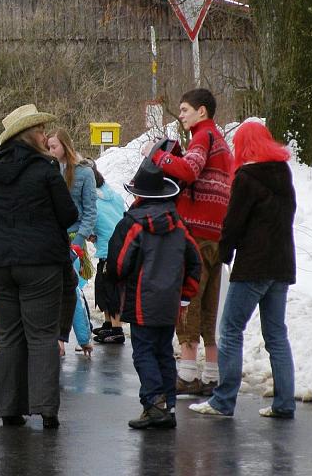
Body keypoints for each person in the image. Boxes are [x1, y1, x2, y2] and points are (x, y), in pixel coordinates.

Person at [0, 104, 78, 429]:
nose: (46, 135)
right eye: (42, 130)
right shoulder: (45, 169)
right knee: (42, 334)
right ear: (29, 134)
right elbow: (69, 214)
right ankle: (46, 409)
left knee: (9, 333)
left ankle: (9, 409)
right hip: (40, 261)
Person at [189, 122, 297, 419]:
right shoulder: (283, 173)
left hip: (253, 266)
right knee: (276, 334)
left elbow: (233, 223)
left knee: (230, 330)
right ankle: (284, 403)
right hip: (282, 265)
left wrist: (224, 253)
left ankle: (223, 401)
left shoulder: (246, 177)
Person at [144, 88, 232, 396]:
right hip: (215, 234)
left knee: (188, 300)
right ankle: (211, 375)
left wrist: (157, 155)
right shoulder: (221, 141)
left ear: (202, 112)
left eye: (184, 110)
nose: (181, 115)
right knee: (209, 304)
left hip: (194, 231)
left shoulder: (203, 136)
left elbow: (189, 170)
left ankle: (187, 373)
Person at [106, 159, 202, 429]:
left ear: (139, 195)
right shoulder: (179, 224)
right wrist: (185, 294)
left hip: (141, 300)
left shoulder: (133, 224)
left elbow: (119, 263)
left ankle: (154, 405)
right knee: (162, 352)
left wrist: (116, 281)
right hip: (170, 302)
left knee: (144, 353)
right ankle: (168, 407)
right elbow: (195, 261)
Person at [46, 128, 96, 358]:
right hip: (52, 237)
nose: (50, 151)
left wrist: (79, 241)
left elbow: (90, 212)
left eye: (54, 146)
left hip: (74, 239)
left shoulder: (85, 173)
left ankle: (81, 338)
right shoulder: (48, 168)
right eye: (48, 147)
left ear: (65, 146)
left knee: (71, 289)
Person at [88, 161, 127, 344]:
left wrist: (89, 233)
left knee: (109, 289)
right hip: (120, 245)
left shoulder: (91, 199)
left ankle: (116, 328)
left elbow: (88, 219)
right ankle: (108, 324)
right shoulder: (114, 195)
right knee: (102, 286)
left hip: (109, 248)